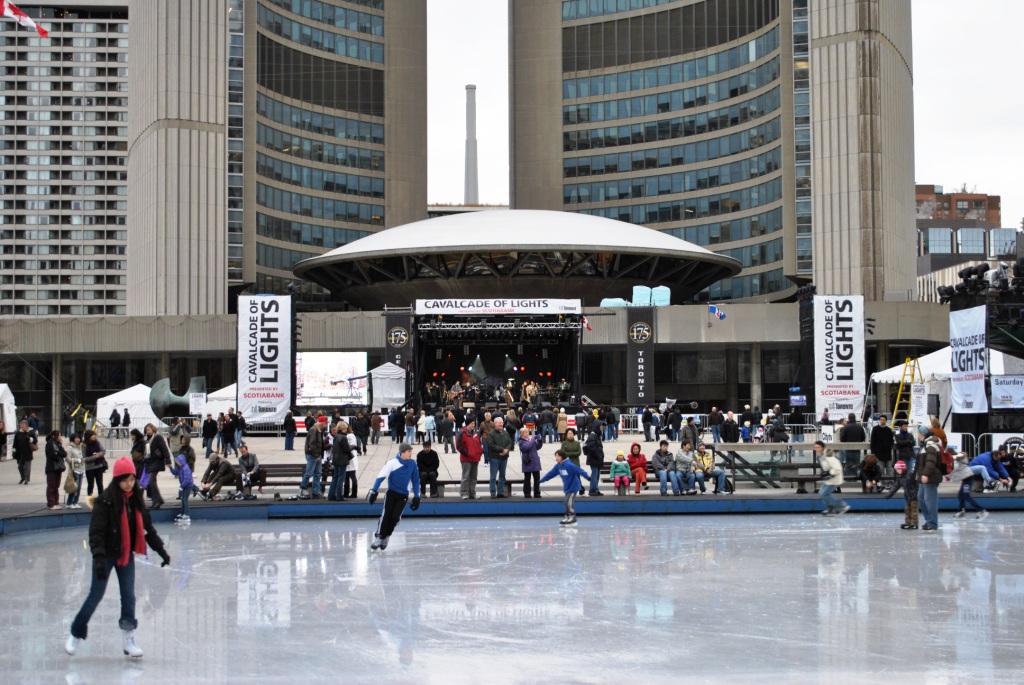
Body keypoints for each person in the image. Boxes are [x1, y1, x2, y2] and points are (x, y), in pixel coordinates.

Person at [65, 456, 169, 659]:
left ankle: (128, 639)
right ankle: (76, 633)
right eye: (125, 480)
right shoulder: (105, 501)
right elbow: (95, 533)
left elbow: (147, 529)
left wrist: (162, 551)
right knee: (95, 595)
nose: (129, 484)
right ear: (117, 479)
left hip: (125, 553)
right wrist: (98, 559)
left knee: (129, 596)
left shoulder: (136, 498)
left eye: (132, 479)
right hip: (105, 554)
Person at [366, 443, 421, 551]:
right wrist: (374, 491)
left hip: (403, 495)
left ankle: (386, 536)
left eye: (411, 451)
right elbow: (380, 476)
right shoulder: (392, 463)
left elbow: (415, 480)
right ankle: (379, 538)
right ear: (402, 452)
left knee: (395, 517)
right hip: (391, 493)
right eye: (409, 451)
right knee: (386, 515)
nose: (411, 453)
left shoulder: (413, 464)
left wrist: (417, 496)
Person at [539, 449, 591, 525]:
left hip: (574, 486)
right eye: (555, 456)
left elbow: (580, 470)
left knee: (569, 501)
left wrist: (588, 477)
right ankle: (567, 516)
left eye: (558, 456)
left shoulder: (569, 465)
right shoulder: (558, 466)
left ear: (562, 457)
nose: (556, 458)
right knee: (566, 501)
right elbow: (550, 474)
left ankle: (572, 517)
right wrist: (541, 480)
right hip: (567, 487)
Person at [915, 436, 943, 532]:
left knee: (930, 500)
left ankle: (933, 523)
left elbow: (930, 461)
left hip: (931, 476)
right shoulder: (926, 445)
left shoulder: (931, 446)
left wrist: (926, 474)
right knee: (921, 497)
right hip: (924, 476)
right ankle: (929, 520)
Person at [950, 452, 988, 521]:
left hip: (968, 478)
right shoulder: (954, 460)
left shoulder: (955, 459)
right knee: (960, 495)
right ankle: (961, 511)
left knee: (966, 495)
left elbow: (954, 467)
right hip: (965, 478)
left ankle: (981, 510)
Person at [816, 441, 850, 516]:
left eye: (818, 447)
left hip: (835, 478)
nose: (816, 449)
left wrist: (829, 473)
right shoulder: (822, 456)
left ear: (822, 448)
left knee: (824, 494)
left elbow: (837, 468)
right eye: (815, 447)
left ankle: (842, 506)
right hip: (829, 479)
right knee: (821, 493)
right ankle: (830, 508)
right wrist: (825, 472)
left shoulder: (829, 456)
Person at [883, 460, 919, 529]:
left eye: (898, 469)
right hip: (907, 496)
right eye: (896, 470)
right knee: (907, 510)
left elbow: (917, 485)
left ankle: (914, 523)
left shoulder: (911, 475)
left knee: (914, 510)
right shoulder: (900, 477)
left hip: (914, 496)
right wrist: (888, 495)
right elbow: (895, 487)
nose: (897, 471)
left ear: (902, 468)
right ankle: (908, 523)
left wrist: (916, 493)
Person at [142, 424, 171, 510]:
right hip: (150, 462)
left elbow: (164, 448)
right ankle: (155, 502)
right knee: (152, 481)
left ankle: (159, 499)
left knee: (151, 480)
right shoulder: (147, 440)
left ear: (153, 429)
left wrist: (168, 460)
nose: (148, 431)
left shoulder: (158, 437)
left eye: (149, 429)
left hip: (157, 461)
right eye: (147, 430)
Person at [301, 416, 328, 499]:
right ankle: (303, 488)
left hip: (317, 454)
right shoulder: (314, 430)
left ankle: (316, 492)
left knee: (318, 473)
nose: (326, 425)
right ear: (322, 423)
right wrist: (316, 455)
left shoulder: (319, 430)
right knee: (309, 472)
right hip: (312, 455)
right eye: (326, 423)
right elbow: (312, 444)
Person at [486, 416, 513, 499]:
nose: (501, 424)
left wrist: (507, 450)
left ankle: (500, 492)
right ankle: (493, 492)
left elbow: (510, 442)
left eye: (502, 422)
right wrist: (502, 450)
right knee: (493, 476)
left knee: (502, 476)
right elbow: (491, 445)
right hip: (495, 457)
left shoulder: (505, 432)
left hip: (504, 457)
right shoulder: (491, 434)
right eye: (499, 423)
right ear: (495, 424)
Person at [457, 418, 483, 500]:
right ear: (467, 424)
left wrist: (480, 451)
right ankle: (464, 493)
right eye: (472, 423)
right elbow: (459, 446)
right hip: (466, 459)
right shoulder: (462, 433)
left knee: (474, 477)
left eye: (474, 423)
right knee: (466, 476)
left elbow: (478, 443)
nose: (473, 425)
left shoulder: (475, 433)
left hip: (475, 458)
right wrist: (467, 454)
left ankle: (472, 493)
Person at [169, 442, 194, 523]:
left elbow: (187, 479)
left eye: (178, 462)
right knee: (183, 499)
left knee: (185, 499)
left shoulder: (185, 468)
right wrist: (170, 468)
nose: (177, 463)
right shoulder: (180, 468)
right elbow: (175, 473)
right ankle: (183, 513)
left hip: (188, 485)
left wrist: (181, 487)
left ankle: (187, 515)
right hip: (184, 485)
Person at [44, 430, 68, 510]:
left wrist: (58, 453)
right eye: (59, 435)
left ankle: (56, 502)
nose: (60, 437)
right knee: (51, 486)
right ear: (54, 436)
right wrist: (58, 454)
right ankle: (51, 503)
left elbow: (64, 453)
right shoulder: (49, 444)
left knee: (56, 486)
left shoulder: (59, 444)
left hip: (58, 468)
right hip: (52, 468)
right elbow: (52, 455)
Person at [518, 427, 544, 498]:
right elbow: (527, 447)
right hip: (528, 462)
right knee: (527, 479)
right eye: (525, 432)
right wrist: (533, 439)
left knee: (537, 479)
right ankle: (527, 493)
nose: (527, 434)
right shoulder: (521, 442)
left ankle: (537, 493)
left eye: (527, 432)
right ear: (521, 434)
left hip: (535, 461)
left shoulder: (530, 440)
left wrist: (540, 440)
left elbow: (537, 447)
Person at [83, 429, 107, 496]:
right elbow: (84, 458)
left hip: (98, 466)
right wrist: (93, 457)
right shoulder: (84, 445)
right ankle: (90, 500)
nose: (94, 437)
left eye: (94, 435)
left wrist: (98, 455)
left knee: (100, 484)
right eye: (92, 435)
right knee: (91, 485)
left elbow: (103, 451)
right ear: (88, 436)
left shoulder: (97, 442)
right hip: (89, 468)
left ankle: (101, 499)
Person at [12, 419, 37, 485]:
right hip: (19, 453)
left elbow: (35, 440)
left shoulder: (30, 432)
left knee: (27, 467)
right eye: (21, 425)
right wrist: (13, 451)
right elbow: (15, 443)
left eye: (23, 425)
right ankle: (23, 477)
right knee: (20, 466)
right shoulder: (18, 433)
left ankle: (26, 479)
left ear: (26, 425)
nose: (22, 426)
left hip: (27, 452)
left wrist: (30, 438)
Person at [583, 424, 605, 496]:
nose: (602, 428)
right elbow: (592, 448)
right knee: (595, 475)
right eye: (601, 426)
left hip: (596, 459)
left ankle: (595, 489)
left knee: (597, 475)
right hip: (594, 459)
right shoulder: (593, 436)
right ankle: (592, 489)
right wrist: (598, 456)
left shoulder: (597, 435)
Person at [65, 433, 86, 509]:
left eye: (78, 438)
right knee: (74, 487)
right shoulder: (70, 448)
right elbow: (67, 459)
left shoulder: (79, 447)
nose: (77, 439)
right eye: (75, 438)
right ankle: (69, 502)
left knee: (79, 487)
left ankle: (75, 502)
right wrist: (78, 460)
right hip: (74, 470)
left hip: (81, 469)